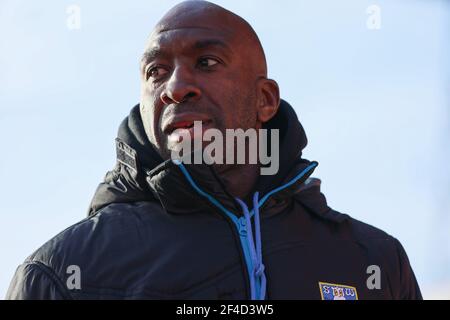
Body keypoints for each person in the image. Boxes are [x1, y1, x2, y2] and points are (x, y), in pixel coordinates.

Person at [6, 0, 422, 300]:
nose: (174, 87)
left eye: (206, 62)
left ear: (265, 100)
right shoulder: (59, 274)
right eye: (157, 71)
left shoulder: (376, 263)